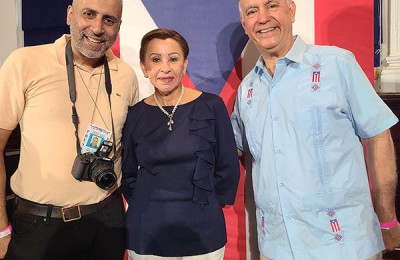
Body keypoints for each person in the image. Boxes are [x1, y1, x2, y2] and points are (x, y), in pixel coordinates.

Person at [231, 0, 400, 259]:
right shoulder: (247, 90)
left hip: (344, 245)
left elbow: (378, 136)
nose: (262, 18)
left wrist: (387, 219)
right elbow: (235, 148)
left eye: (272, 5)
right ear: (245, 25)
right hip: (277, 247)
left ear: (292, 10)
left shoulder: (337, 64)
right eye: (252, 12)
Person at [0, 0, 138, 259]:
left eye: (109, 20)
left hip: (107, 221)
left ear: (118, 26)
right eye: (89, 14)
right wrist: (1, 231)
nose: (97, 28)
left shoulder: (126, 75)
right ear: (69, 14)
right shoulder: (25, 62)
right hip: (40, 226)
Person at [121, 28, 240, 260]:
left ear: (184, 64)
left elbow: (227, 166)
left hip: (204, 229)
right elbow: (128, 174)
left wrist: (207, 204)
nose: (165, 67)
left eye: (173, 59)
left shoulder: (212, 106)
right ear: (144, 67)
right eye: (155, 60)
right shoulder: (135, 114)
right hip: (146, 232)